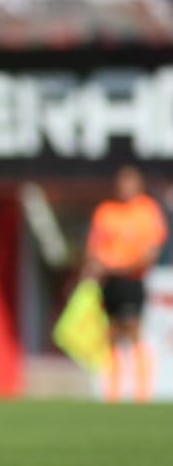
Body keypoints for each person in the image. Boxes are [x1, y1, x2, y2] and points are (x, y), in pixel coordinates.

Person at [84, 165, 168, 403]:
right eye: (121, 183)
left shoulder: (146, 210)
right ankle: (112, 392)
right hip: (109, 279)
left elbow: (152, 249)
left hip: (133, 278)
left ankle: (142, 394)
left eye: (130, 183)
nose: (125, 187)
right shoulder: (106, 211)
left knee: (133, 330)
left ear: (138, 185)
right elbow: (94, 247)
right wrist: (97, 266)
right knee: (111, 333)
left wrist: (125, 266)